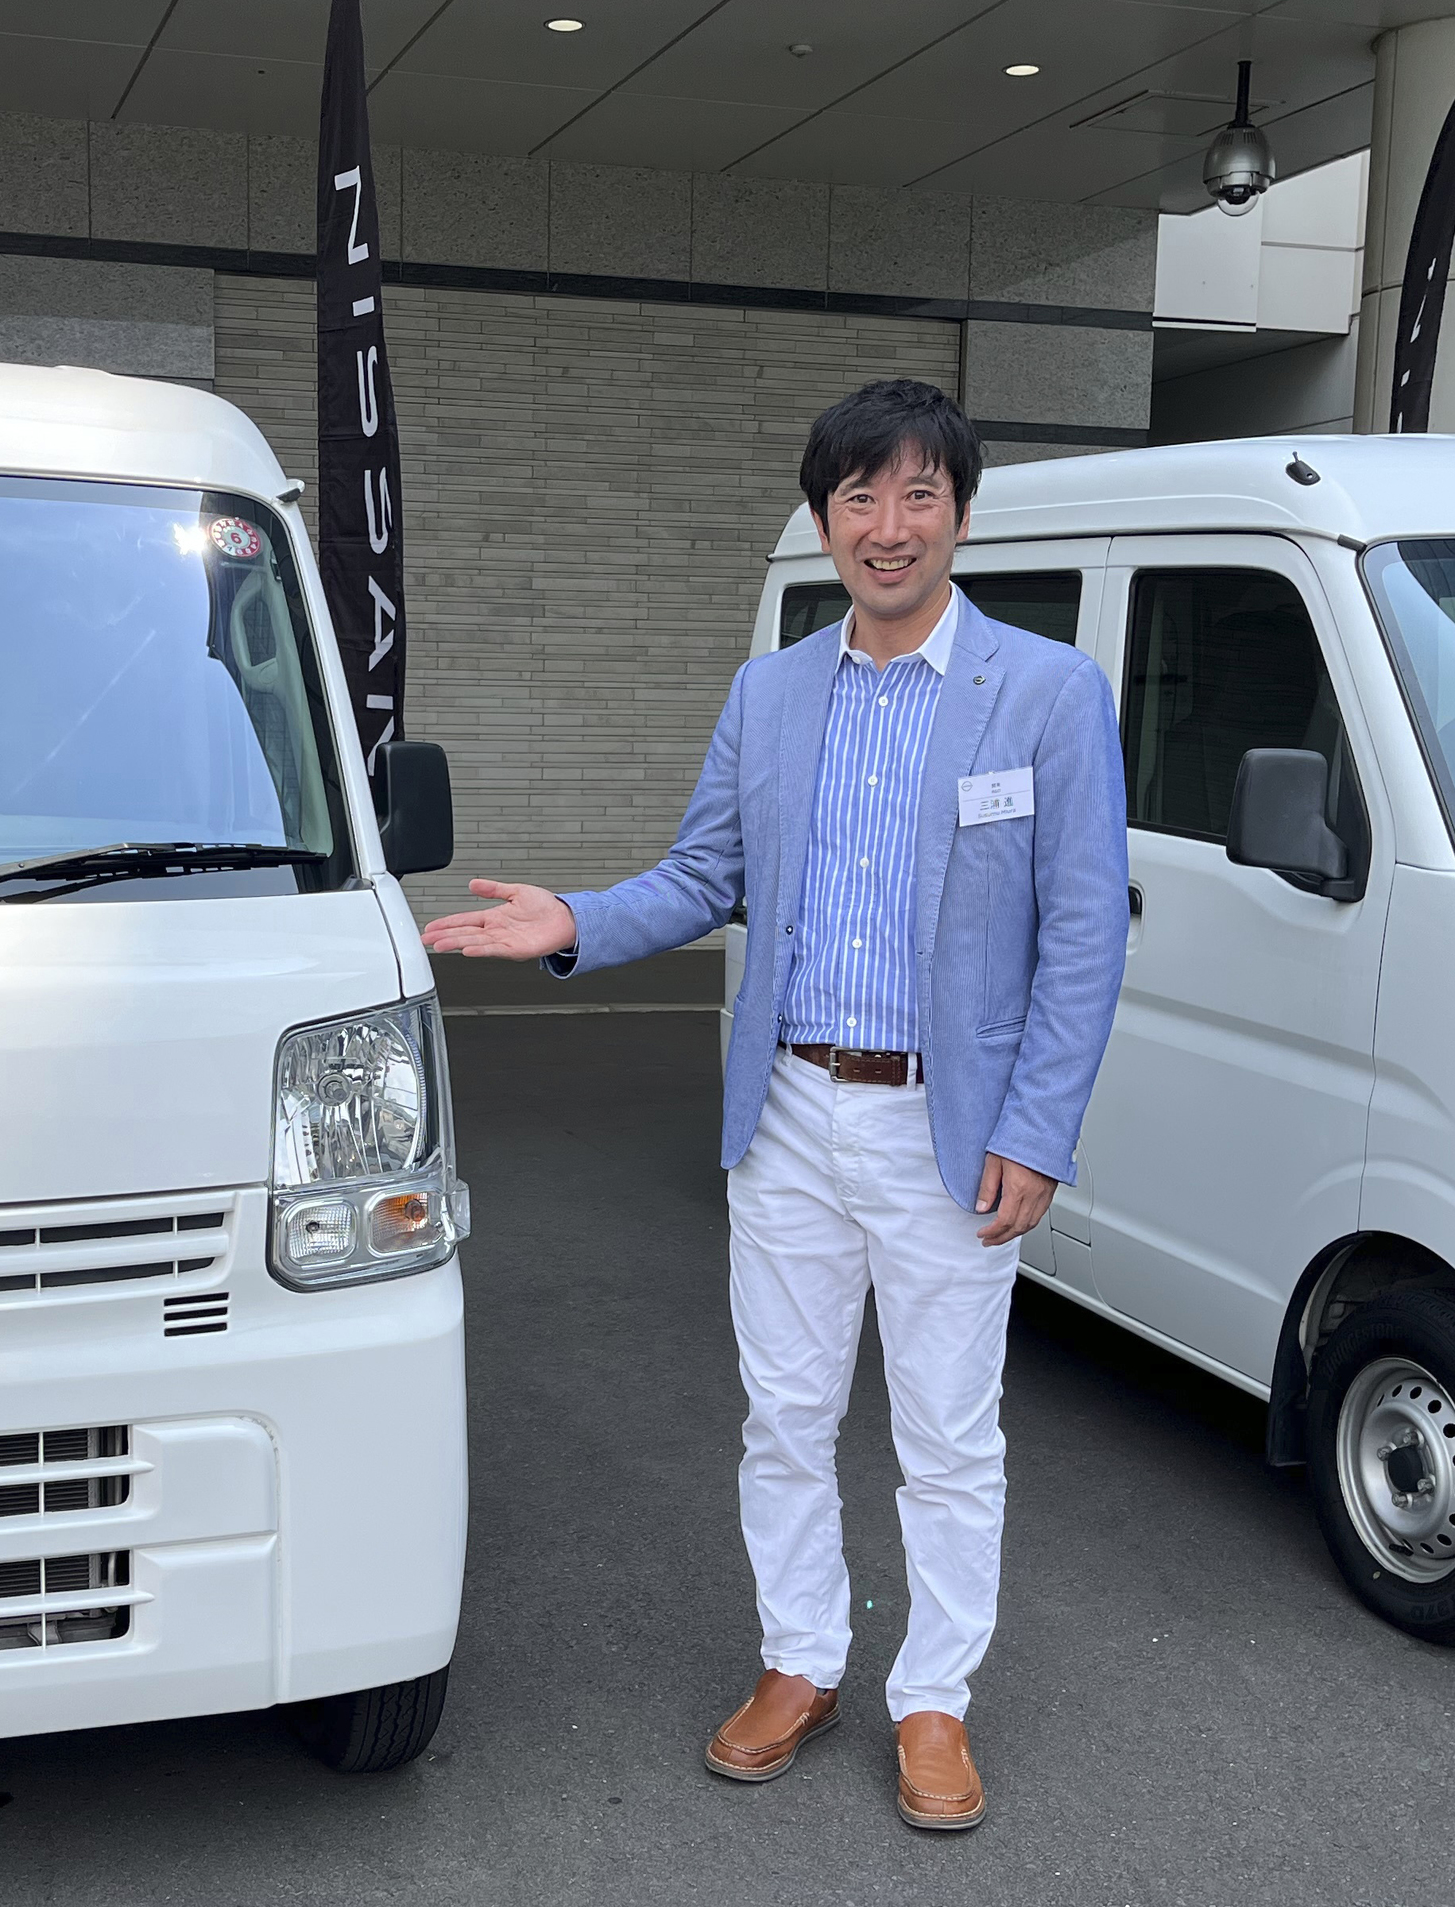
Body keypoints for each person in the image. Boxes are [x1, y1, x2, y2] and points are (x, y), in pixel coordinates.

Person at [421, 378, 1128, 1831]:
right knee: (786, 1415)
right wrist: (573, 924)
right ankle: (800, 1658)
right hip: (794, 1117)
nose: (888, 525)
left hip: (952, 1129)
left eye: (918, 495)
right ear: (823, 521)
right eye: (859, 497)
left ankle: (935, 1698)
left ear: (960, 516)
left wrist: (1037, 1131)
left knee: (947, 1433)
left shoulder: (1046, 694)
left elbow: (1084, 935)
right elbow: (703, 877)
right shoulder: (776, 691)